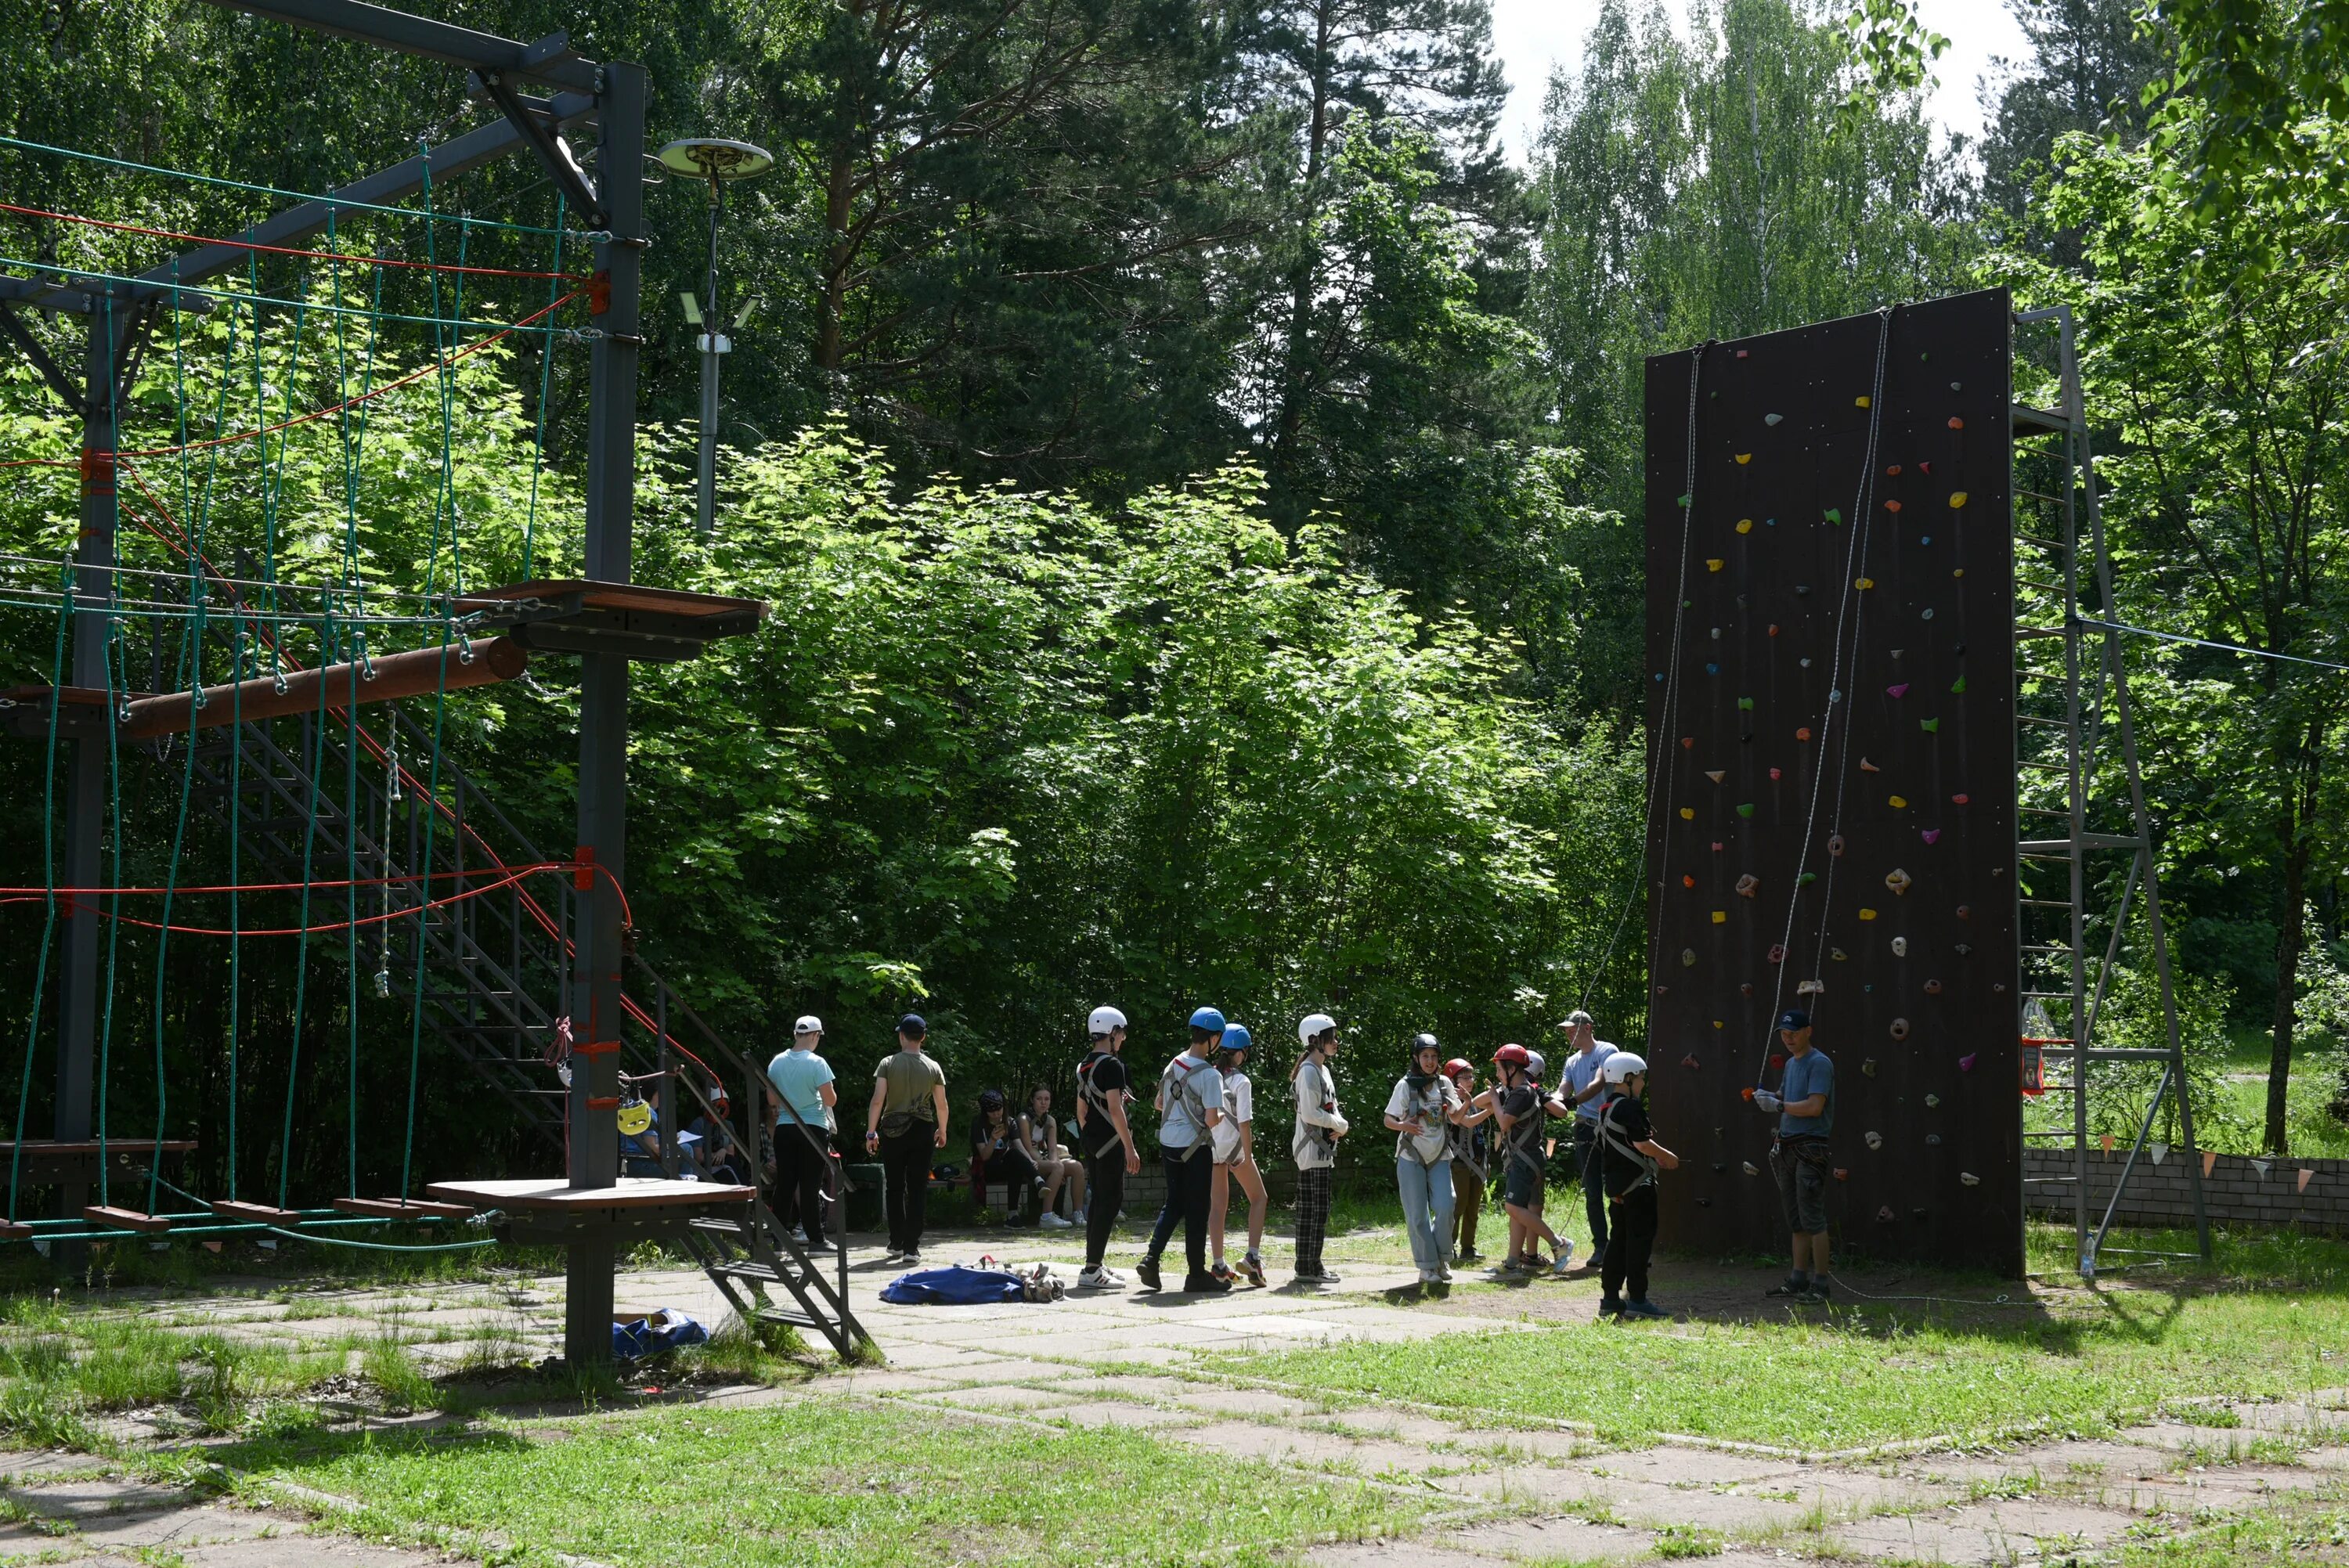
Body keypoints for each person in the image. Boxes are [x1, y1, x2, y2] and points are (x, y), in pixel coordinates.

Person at [1136, 1007, 1230, 1294]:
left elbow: (1159, 1104)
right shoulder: (1211, 1076)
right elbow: (1212, 1120)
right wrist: (1224, 1114)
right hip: (1195, 1148)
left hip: (1169, 1144)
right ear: (1213, 1038)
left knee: (1174, 1203)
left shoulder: (1173, 1064)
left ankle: (1151, 1260)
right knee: (1198, 1210)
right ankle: (1195, 1275)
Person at [1755, 1008, 1835, 1304]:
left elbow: (1814, 1106)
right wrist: (1768, 1098)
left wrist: (1778, 1107)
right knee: (1796, 1219)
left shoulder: (1820, 1063)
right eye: (1784, 1034)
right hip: (1788, 1146)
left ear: (1808, 1032)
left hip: (1811, 1148)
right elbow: (1784, 1097)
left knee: (1813, 1216)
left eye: (1793, 1033)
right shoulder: (1791, 1064)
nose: (1788, 1038)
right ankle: (1798, 1279)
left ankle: (1821, 1284)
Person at [1592, 1052, 1677, 1319]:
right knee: (1639, 1242)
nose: (1642, 1083)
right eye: (1640, 1078)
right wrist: (1667, 1157)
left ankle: (1610, 1298)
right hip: (1638, 1187)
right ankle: (1638, 1299)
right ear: (1627, 1078)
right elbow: (1641, 1143)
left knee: (1618, 1241)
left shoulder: (1607, 1108)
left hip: (1618, 1187)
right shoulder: (1630, 1107)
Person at [863, 1014, 950, 1265]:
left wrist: (871, 1131)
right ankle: (912, 1248)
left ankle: (896, 1241)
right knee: (918, 1188)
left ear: (902, 1036)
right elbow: (941, 1104)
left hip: (892, 1130)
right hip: (923, 1129)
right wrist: (942, 1130)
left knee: (895, 1186)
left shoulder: (888, 1063)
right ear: (923, 1037)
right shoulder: (933, 1067)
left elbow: (878, 1099)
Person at [1385, 1034, 1464, 1285]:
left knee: (1446, 1204)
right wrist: (1403, 1125)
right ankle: (1427, 1267)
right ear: (1416, 1058)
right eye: (1425, 1056)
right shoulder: (1405, 1085)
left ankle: (1442, 1258)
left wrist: (1469, 1103)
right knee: (1417, 1214)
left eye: (1434, 1056)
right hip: (1410, 1155)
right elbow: (1388, 1120)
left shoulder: (1444, 1084)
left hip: (1439, 1154)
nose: (1430, 1061)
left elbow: (1455, 1117)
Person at [1491, 1044, 1574, 1275]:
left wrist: (1494, 1099)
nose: (1497, 1075)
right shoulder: (1524, 1091)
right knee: (1517, 1209)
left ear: (1511, 1069)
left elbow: (1504, 1123)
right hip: (1528, 1158)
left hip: (1524, 1159)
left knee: (1512, 1206)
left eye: (1499, 1069)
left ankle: (1559, 1244)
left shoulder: (1522, 1092)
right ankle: (1512, 1261)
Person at [1073, 1005, 1140, 1289]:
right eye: (1121, 1033)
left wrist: (1090, 1137)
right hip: (1111, 1143)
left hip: (1091, 1142)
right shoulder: (1113, 1066)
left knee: (1099, 1201)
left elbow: (1081, 1111)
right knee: (1109, 1202)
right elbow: (1115, 1109)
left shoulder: (1084, 1065)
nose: (1123, 1038)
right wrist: (1130, 1147)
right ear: (1112, 1033)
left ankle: (1095, 1263)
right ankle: (1092, 1269)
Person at [768, 1015, 841, 1253]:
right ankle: (816, 1241)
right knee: (810, 1186)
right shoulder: (817, 1063)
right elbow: (830, 1099)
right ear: (815, 1035)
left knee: (785, 1184)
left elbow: (772, 1100)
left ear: (795, 1034)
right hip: (813, 1129)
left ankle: (777, 1240)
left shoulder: (776, 1062)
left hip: (785, 1129)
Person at [1207, 1025, 1268, 1287]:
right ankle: (1252, 1257)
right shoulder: (1242, 1081)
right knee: (1259, 1198)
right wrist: (1249, 1154)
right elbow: (1245, 1122)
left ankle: (1219, 1264)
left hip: (1211, 1148)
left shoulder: (1209, 1075)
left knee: (1218, 1207)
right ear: (1241, 1053)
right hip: (1235, 1149)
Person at [1290, 1012, 1348, 1285]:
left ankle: (1313, 1263)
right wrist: (1338, 1123)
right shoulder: (1309, 1072)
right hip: (1311, 1150)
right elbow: (1311, 1113)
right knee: (1312, 1209)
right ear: (1315, 1041)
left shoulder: (1322, 1070)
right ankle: (1306, 1266)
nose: (1336, 1042)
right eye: (1331, 1037)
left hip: (1322, 1149)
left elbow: (1329, 1107)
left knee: (1319, 1208)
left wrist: (1339, 1124)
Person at [1557, 1010, 1617, 1273]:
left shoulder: (1607, 1051)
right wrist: (1553, 1100)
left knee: (1617, 1189)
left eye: (1573, 1029)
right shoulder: (1571, 1061)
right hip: (1583, 1129)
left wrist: (1571, 1102)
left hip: (1611, 1127)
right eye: (1567, 1030)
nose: (1569, 1034)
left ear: (1588, 1028)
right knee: (1592, 1192)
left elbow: (1599, 1082)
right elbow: (1564, 1087)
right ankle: (1601, 1246)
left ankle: (1621, 1243)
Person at [1443, 1058, 1494, 1262]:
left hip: (1478, 1161)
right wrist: (1491, 1108)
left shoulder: (1472, 1100)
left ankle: (1468, 1248)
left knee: (1473, 1208)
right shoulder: (1450, 1102)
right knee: (1458, 1206)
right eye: (1465, 1076)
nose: (1470, 1080)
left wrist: (1493, 1097)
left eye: (1471, 1076)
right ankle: (1449, 1246)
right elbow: (1469, 1122)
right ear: (1453, 1080)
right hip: (1459, 1162)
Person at [969, 1089, 1043, 1221]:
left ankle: (1014, 1213)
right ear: (985, 1112)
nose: (997, 1114)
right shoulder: (978, 1124)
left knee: (1015, 1157)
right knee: (1015, 1161)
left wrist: (1030, 1160)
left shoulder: (1010, 1122)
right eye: (992, 1112)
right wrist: (993, 1139)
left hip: (1002, 1162)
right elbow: (984, 1156)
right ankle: (1036, 1181)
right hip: (985, 1168)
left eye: (999, 1110)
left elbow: (1019, 1146)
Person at [1017, 1085, 1084, 1229]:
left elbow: (1053, 1149)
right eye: (1039, 1099)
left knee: (1077, 1166)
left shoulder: (1050, 1120)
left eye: (1047, 1099)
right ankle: (1046, 1216)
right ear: (1032, 1100)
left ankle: (1078, 1214)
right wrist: (1055, 1167)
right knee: (1057, 1166)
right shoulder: (1024, 1118)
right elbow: (1028, 1149)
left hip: (1043, 1160)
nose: (1043, 1103)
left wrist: (1055, 1166)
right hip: (1027, 1161)